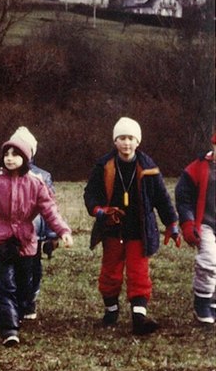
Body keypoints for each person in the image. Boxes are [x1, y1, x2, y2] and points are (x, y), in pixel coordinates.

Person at [0, 132, 74, 346]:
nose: (10, 158)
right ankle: (9, 329)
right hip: (0, 241)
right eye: (6, 154)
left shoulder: (36, 183)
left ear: (26, 158)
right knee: (4, 285)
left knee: (23, 285)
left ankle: (17, 312)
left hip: (26, 242)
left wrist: (62, 231)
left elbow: (49, 210)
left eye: (15, 154)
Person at [85, 117, 181, 336]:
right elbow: (90, 193)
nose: (126, 143)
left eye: (130, 138)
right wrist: (98, 210)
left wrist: (172, 223)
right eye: (122, 138)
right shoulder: (104, 166)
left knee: (139, 273)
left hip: (140, 230)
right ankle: (111, 311)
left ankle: (139, 318)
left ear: (137, 142)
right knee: (110, 273)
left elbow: (162, 199)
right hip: (112, 228)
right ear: (115, 141)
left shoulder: (149, 168)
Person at [5, 127, 58, 322]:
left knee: (33, 268)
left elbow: (50, 207)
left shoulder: (42, 176)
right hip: (9, 234)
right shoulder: (2, 176)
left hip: (34, 234)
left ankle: (30, 298)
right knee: (12, 269)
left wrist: (52, 236)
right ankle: (14, 302)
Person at [175, 130, 216, 326]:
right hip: (205, 223)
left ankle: (213, 301)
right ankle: (202, 302)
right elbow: (183, 197)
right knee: (208, 259)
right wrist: (188, 222)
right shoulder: (199, 167)